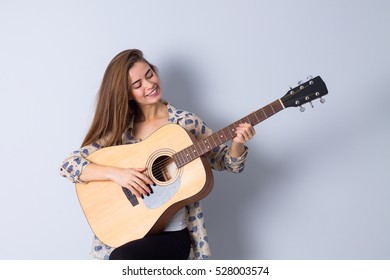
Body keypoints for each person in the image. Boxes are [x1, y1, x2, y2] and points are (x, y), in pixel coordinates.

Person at [59, 49, 256, 260]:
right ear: (127, 94)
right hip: (134, 230)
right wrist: (117, 174)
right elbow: (69, 166)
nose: (149, 84)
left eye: (150, 74)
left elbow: (228, 163)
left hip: (173, 235)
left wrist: (237, 143)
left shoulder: (185, 123)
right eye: (137, 84)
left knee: (123, 260)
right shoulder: (121, 131)